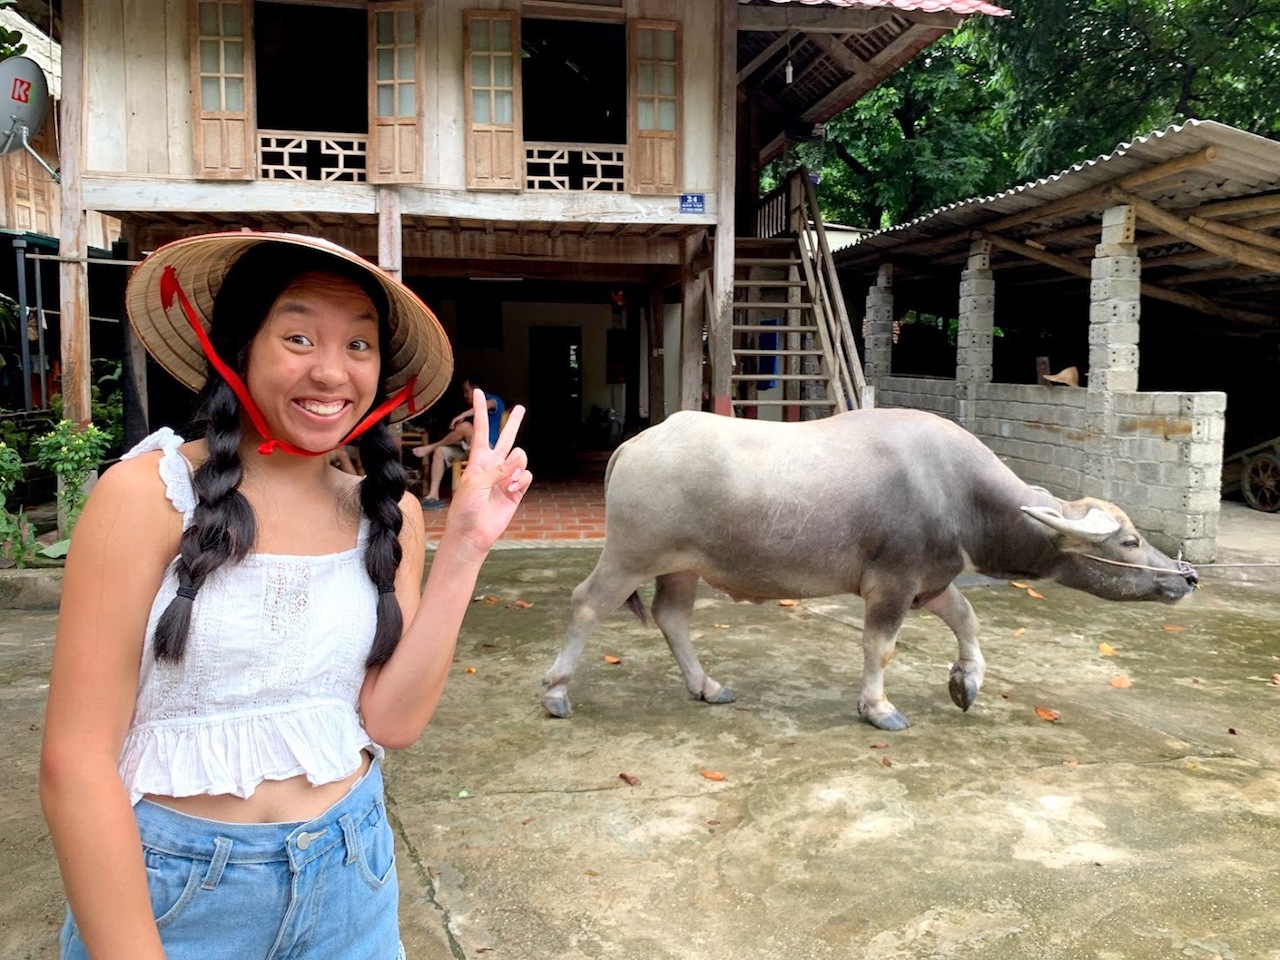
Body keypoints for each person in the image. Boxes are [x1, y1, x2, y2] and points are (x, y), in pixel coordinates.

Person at [38, 232, 532, 960]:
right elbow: (75, 762)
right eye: (298, 336)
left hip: (351, 874)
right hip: (176, 894)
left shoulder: (387, 514)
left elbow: (390, 721)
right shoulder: (143, 498)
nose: (332, 372)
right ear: (239, 347)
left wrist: (465, 549)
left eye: (359, 346)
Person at [412, 377, 506, 510]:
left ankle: (431, 447)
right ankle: (433, 495)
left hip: (487, 449)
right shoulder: (471, 408)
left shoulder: (495, 401)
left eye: (467, 391)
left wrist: (463, 415)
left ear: (476, 390)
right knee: (440, 452)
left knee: (466, 426)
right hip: (471, 448)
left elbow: (484, 405)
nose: (465, 395)